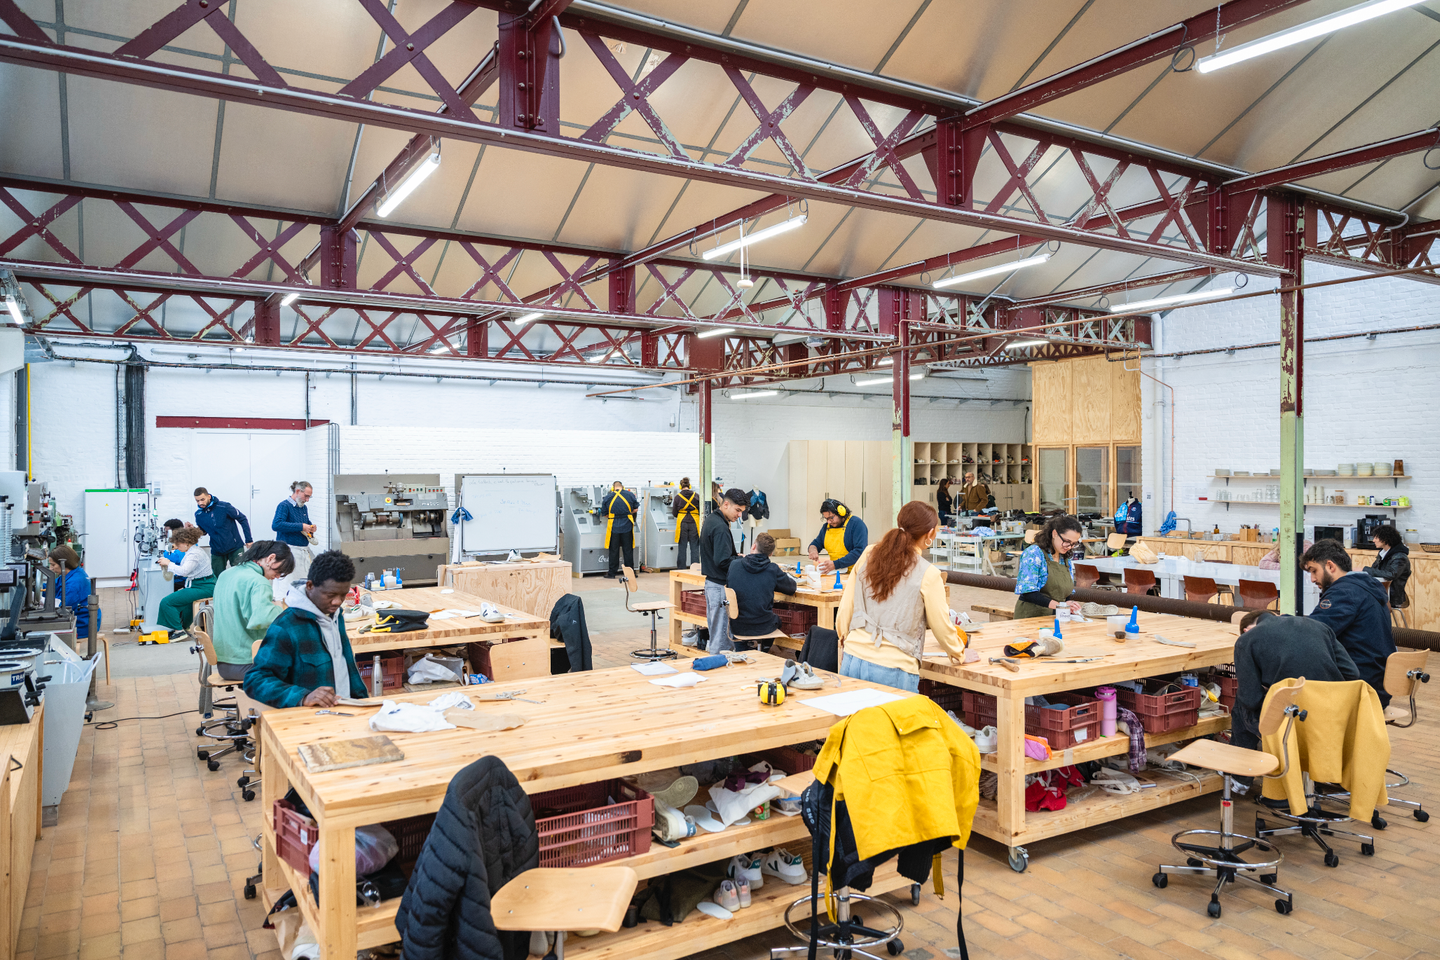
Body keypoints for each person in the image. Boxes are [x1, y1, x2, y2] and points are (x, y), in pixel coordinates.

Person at [835, 501, 967, 692]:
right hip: (894, 668)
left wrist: (844, 636)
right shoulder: (928, 573)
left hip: (853, 658)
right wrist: (958, 653)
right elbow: (941, 626)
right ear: (930, 534)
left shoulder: (869, 554)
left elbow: (847, 604)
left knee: (854, 721)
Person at [1230, 610, 1359, 791]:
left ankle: (1239, 777)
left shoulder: (1247, 640)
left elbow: (1250, 699)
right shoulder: (1320, 627)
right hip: (1333, 717)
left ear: (1246, 629)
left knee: (1241, 705)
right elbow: (1352, 674)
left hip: (1291, 720)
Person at [244, 550, 365, 708]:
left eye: (343, 595)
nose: (337, 602)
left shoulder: (335, 615)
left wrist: (362, 700)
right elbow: (256, 680)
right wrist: (303, 696)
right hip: (312, 719)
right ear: (310, 586)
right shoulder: (286, 626)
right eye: (330, 595)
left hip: (347, 709)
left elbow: (345, 665)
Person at [1302, 539, 1397, 707]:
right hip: (1378, 683)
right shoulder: (1368, 585)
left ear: (1330, 566)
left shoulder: (1344, 592)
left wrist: (1276, 623)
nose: (1312, 579)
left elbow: (1313, 632)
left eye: (1313, 571)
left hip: (1359, 687)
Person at [210, 541, 294, 681]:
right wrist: (279, 608)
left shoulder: (226, 574)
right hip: (247, 664)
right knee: (303, 665)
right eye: (279, 571)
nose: (278, 576)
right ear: (271, 558)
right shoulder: (258, 582)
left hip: (224, 664)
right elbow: (262, 618)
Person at [727, 532, 798, 642]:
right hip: (763, 626)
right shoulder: (772, 570)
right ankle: (763, 649)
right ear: (770, 554)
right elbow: (791, 588)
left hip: (737, 627)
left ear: (753, 546)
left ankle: (745, 649)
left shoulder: (734, 565)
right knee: (777, 619)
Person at [701, 487, 747, 653]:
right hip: (719, 586)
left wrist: (734, 555)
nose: (739, 515)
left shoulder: (713, 519)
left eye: (742, 511)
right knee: (721, 640)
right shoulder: (720, 527)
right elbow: (722, 561)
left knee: (717, 633)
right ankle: (720, 670)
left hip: (713, 584)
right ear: (726, 504)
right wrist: (741, 560)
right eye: (738, 510)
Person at [1012, 514, 1084, 619]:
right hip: (1030, 617)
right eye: (1066, 541)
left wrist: (1069, 602)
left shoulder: (1065, 557)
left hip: (1056, 617)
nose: (1069, 547)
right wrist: (1060, 606)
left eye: (1074, 544)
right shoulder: (1033, 553)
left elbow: (1064, 590)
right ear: (1054, 533)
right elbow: (1028, 592)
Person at [156, 526, 218, 638]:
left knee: (167, 602)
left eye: (178, 544)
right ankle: (184, 627)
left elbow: (184, 571)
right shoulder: (192, 550)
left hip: (204, 587)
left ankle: (179, 631)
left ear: (186, 543)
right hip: (198, 585)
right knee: (183, 602)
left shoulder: (194, 554)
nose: (177, 547)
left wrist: (168, 564)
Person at [194, 487, 253, 576]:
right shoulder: (199, 515)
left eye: (202, 499)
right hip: (216, 550)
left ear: (209, 496)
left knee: (240, 575)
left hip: (235, 547)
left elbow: (242, 518)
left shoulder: (224, 507)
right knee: (217, 578)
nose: (200, 503)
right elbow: (204, 532)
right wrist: (194, 530)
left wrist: (248, 539)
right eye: (197, 501)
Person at [272, 481, 317, 589]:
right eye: (306, 496)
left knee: (300, 585)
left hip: (302, 550)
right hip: (288, 550)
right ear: (297, 491)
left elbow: (304, 522)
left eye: (309, 497)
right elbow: (276, 525)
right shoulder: (284, 506)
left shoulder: (303, 508)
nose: (307, 500)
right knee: (287, 585)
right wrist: (301, 526)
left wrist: (310, 527)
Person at [46, 547, 97, 641]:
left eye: (53, 565)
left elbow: (61, 609)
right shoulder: (71, 573)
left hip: (81, 624)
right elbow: (51, 586)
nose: (51, 568)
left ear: (64, 563)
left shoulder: (74, 584)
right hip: (78, 618)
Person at [807, 499, 868, 576]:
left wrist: (835, 564)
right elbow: (816, 543)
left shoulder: (856, 524)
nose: (829, 522)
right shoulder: (827, 527)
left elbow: (859, 551)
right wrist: (813, 550)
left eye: (831, 518)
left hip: (856, 573)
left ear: (841, 513)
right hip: (837, 572)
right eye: (826, 519)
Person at [1362, 525, 1412, 611]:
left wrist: (1365, 569)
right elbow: (1375, 571)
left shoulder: (1400, 556)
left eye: (1376, 537)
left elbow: (1391, 574)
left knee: (1358, 600)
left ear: (1385, 539)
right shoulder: (1383, 553)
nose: (1373, 540)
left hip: (1391, 595)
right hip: (1379, 590)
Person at [597, 480, 638, 578]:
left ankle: (612, 573)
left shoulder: (608, 497)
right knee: (628, 550)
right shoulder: (630, 495)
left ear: (613, 488)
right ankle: (630, 573)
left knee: (613, 550)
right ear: (622, 487)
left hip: (614, 527)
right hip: (627, 526)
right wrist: (626, 514)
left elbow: (605, 514)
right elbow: (635, 509)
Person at [671, 478, 702, 569]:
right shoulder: (697, 496)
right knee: (695, 547)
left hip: (682, 523)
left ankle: (681, 569)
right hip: (694, 523)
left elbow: (674, 513)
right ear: (689, 486)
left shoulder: (677, 497)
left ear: (680, 486)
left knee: (682, 547)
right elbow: (701, 510)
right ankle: (695, 568)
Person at [161, 519, 190, 589]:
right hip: (179, 574)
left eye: (167, 532)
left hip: (184, 579)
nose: (165, 534)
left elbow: (177, 558)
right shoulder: (177, 541)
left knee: (162, 585)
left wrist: (162, 552)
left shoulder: (185, 541)